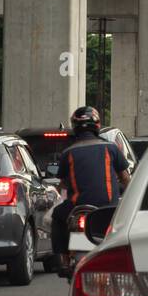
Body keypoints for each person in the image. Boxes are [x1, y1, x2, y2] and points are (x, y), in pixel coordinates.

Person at [50, 106, 131, 272]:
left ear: (75, 128)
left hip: (76, 209)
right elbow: (125, 178)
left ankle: (63, 260)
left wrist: (57, 192)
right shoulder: (112, 148)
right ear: (97, 125)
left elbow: (63, 183)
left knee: (57, 217)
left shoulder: (68, 153)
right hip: (108, 208)